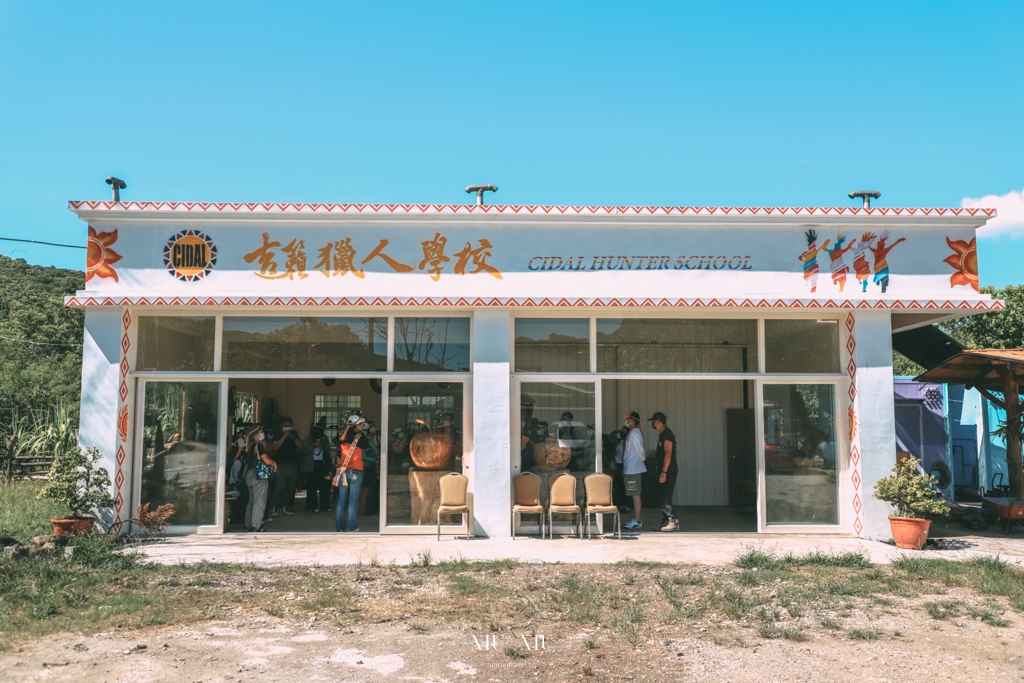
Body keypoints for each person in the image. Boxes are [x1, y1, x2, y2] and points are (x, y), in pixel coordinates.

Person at [335, 414, 368, 532]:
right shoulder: (362, 438)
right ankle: (351, 526)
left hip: (342, 471)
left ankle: (339, 527)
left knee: (341, 499)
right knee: (353, 499)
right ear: (356, 426)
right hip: (356, 470)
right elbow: (369, 453)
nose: (361, 426)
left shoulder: (341, 439)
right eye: (360, 424)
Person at [649, 411, 679, 532]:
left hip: (668, 472)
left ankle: (673, 520)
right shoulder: (662, 434)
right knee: (661, 497)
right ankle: (666, 520)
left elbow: (668, 454)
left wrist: (663, 472)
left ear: (658, 421)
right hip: (663, 471)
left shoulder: (667, 435)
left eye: (653, 421)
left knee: (665, 497)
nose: (652, 423)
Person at [244, 426, 277, 532]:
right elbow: (266, 460)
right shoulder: (258, 446)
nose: (263, 434)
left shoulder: (249, 446)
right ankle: (257, 525)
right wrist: (274, 463)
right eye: (261, 432)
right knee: (260, 501)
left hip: (249, 475)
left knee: (251, 501)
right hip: (258, 476)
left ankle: (248, 524)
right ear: (256, 434)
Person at [268, 416, 303, 516]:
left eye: (290, 426)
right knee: (280, 487)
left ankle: (285, 506)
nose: (288, 428)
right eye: (286, 426)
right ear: (281, 426)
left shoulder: (295, 434)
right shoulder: (277, 434)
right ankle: (275, 507)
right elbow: (275, 447)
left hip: (293, 464)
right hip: (281, 464)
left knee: (290, 487)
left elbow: (300, 446)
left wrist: (294, 437)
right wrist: (284, 436)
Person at [621, 411, 646, 530]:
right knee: (633, 495)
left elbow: (640, 451)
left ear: (634, 421)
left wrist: (641, 461)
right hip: (630, 469)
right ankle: (636, 519)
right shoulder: (633, 433)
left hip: (633, 469)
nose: (627, 422)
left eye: (629, 419)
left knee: (636, 495)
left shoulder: (634, 434)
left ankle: (637, 520)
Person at [303, 436, 331, 513]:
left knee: (325, 486)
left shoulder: (324, 438)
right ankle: (313, 505)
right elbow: (304, 451)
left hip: (323, 465)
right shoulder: (309, 438)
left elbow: (328, 451)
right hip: (311, 465)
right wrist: (313, 445)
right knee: (312, 487)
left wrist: (323, 444)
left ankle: (325, 505)